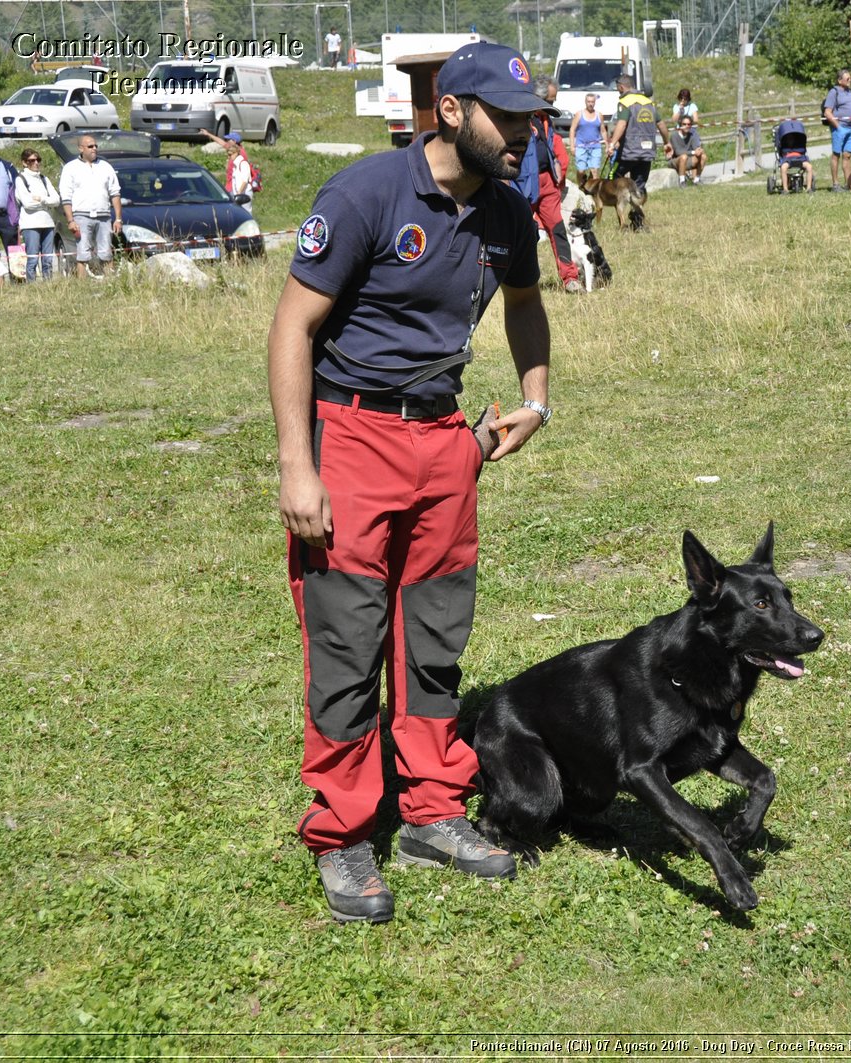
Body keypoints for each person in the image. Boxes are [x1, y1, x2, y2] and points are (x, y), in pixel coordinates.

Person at [268, 41, 553, 925]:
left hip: (445, 444)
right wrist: (296, 464)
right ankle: (344, 829)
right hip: (350, 434)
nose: (523, 135)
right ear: (452, 111)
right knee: (348, 642)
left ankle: (432, 808)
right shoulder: (364, 194)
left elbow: (525, 302)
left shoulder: (508, 214)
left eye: (531, 121)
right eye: (508, 120)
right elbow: (291, 330)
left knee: (434, 634)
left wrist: (536, 402)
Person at [519, 76, 581, 293]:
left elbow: (556, 149)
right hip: (524, 184)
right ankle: (516, 281)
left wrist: (560, 176)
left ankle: (570, 278)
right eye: (550, 101)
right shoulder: (518, 119)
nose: (553, 105)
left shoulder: (546, 119)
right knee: (522, 234)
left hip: (548, 185)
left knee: (557, 229)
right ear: (538, 97)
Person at [58, 134, 122, 279]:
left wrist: (118, 219)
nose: (94, 149)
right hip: (81, 215)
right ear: (81, 148)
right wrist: (70, 220)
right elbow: (66, 197)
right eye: (90, 146)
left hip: (104, 215)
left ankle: (110, 282)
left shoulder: (105, 166)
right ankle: (82, 285)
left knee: (106, 252)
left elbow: (115, 193)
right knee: (83, 253)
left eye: (95, 146)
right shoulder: (70, 168)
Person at [606, 74, 666, 194]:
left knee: (613, 177)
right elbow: (661, 125)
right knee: (639, 184)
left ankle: (617, 204)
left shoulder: (625, 102)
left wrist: (612, 144)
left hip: (629, 151)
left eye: (617, 87)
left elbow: (622, 124)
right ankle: (637, 212)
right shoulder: (649, 102)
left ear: (621, 87)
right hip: (647, 151)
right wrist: (667, 142)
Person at [14, 147, 60, 281]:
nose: (36, 163)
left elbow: (56, 200)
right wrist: (46, 202)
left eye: (38, 160)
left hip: (48, 223)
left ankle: (48, 285)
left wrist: (42, 199)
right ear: (24, 162)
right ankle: (32, 287)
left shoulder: (44, 179)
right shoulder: (21, 179)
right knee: (32, 259)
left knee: (47, 259)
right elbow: (27, 204)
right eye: (31, 160)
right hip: (30, 224)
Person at [822, 68, 851, 192]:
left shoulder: (849, 91)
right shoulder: (833, 92)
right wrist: (838, 126)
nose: (850, 80)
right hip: (840, 128)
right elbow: (827, 112)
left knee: (847, 155)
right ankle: (835, 184)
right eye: (847, 78)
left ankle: (848, 183)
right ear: (839, 80)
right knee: (836, 155)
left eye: (850, 78)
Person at [200, 128, 255, 204]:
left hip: (235, 188)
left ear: (234, 141)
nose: (226, 141)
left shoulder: (241, 155)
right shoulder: (233, 149)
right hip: (230, 186)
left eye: (228, 140)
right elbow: (221, 142)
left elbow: (244, 178)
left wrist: (239, 193)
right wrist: (208, 134)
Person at [774, 114, 814, 193]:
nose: (790, 141)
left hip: (800, 157)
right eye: (789, 139)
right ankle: (785, 189)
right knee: (783, 168)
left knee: (809, 167)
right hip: (787, 158)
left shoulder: (799, 145)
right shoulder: (784, 146)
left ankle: (809, 188)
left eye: (791, 139)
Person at [666, 113, 705, 185]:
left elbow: (696, 148)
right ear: (680, 125)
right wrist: (693, 152)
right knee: (683, 157)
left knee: (703, 156)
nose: (687, 126)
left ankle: (696, 180)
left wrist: (699, 150)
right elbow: (678, 152)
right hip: (675, 160)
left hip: (687, 159)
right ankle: (682, 181)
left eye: (689, 124)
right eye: (684, 124)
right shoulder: (674, 135)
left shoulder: (691, 135)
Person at [571, 93, 606, 174]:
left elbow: (603, 131)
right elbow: (572, 129)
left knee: (594, 171)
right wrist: (572, 146)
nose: (590, 104)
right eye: (588, 102)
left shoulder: (599, 115)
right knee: (581, 171)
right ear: (585, 102)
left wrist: (607, 145)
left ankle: (593, 186)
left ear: (595, 102)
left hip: (595, 147)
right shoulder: (579, 114)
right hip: (581, 146)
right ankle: (580, 185)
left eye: (592, 102)